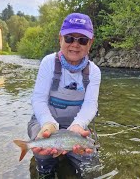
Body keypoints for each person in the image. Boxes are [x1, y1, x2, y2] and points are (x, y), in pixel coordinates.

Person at [27, 12, 101, 178]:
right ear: (60, 38)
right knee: (43, 151)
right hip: (44, 121)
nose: (75, 44)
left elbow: (90, 105)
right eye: (69, 38)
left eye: (82, 40)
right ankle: (46, 170)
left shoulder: (94, 71)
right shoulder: (48, 63)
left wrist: (77, 126)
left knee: (90, 160)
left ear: (90, 43)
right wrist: (48, 124)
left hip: (75, 125)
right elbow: (38, 100)